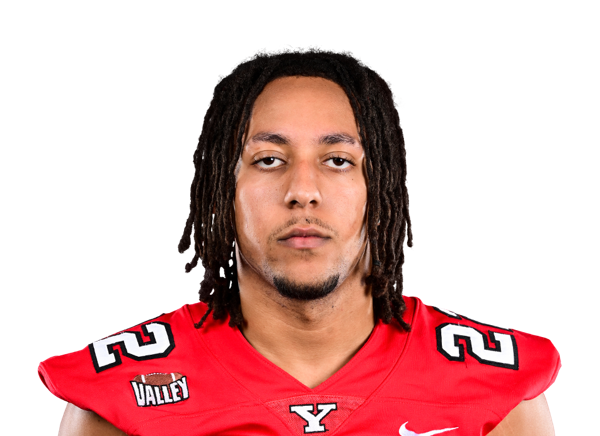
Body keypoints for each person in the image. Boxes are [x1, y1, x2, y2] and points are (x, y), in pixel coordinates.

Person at [39, 47, 560, 435]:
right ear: (222, 189)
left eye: (338, 160)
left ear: (381, 188)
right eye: (269, 159)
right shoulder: (118, 396)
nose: (303, 191)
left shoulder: (498, 389)